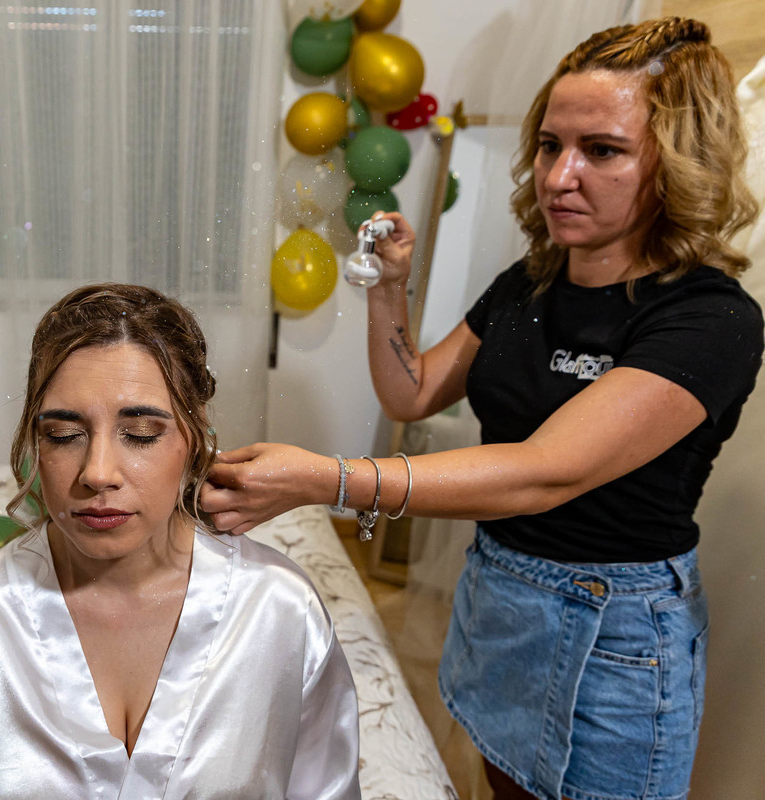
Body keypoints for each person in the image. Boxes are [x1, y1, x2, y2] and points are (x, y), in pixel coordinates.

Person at [200, 17, 761, 800]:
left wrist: (325, 479)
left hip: (611, 633)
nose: (558, 176)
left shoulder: (710, 319)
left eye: (601, 150)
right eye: (549, 146)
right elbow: (412, 392)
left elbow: (544, 473)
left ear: (678, 160)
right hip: (499, 596)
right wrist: (390, 288)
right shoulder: (528, 285)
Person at [0, 283, 361, 799]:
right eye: (64, 435)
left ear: (194, 438)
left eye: (140, 434)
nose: (97, 473)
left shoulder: (279, 611)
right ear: (34, 441)